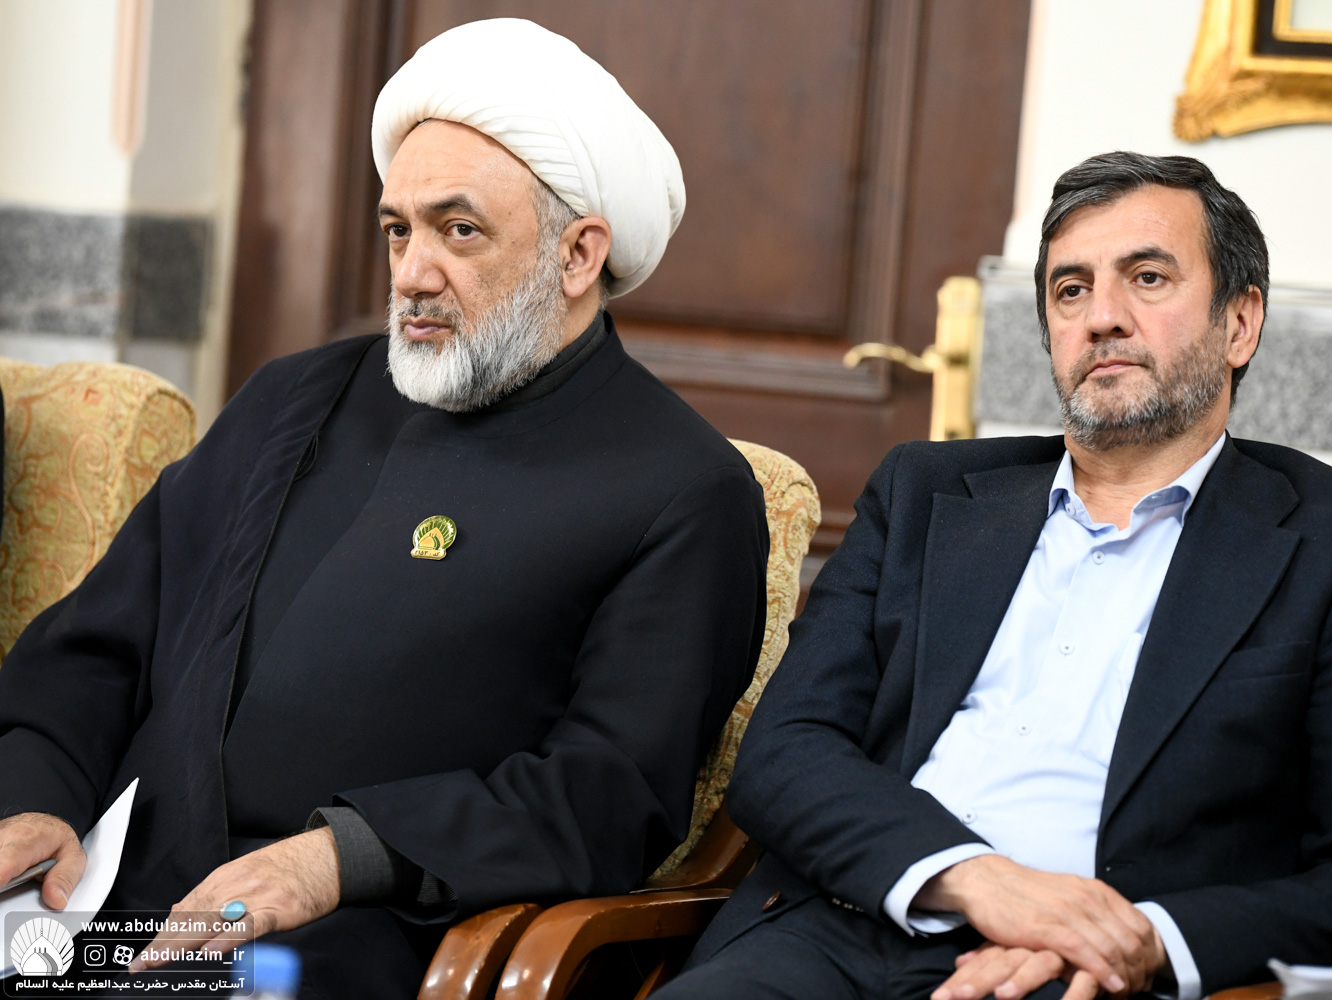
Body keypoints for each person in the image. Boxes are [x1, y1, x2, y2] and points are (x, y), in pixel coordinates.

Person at [0, 18, 768, 999]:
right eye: (399, 229)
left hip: (356, 935)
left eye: (460, 230)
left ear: (579, 255)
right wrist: (35, 801)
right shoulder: (297, 396)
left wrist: (338, 857)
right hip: (100, 894)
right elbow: (95, 646)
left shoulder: (685, 490)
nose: (411, 273)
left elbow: (606, 795)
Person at [656, 152, 1332, 1000]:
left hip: (1084, 975)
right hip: (840, 928)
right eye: (1071, 290)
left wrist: (1139, 940)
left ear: (1240, 323)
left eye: (1147, 278)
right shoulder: (924, 493)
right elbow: (786, 751)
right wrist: (973, 877)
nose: (1102, 317)